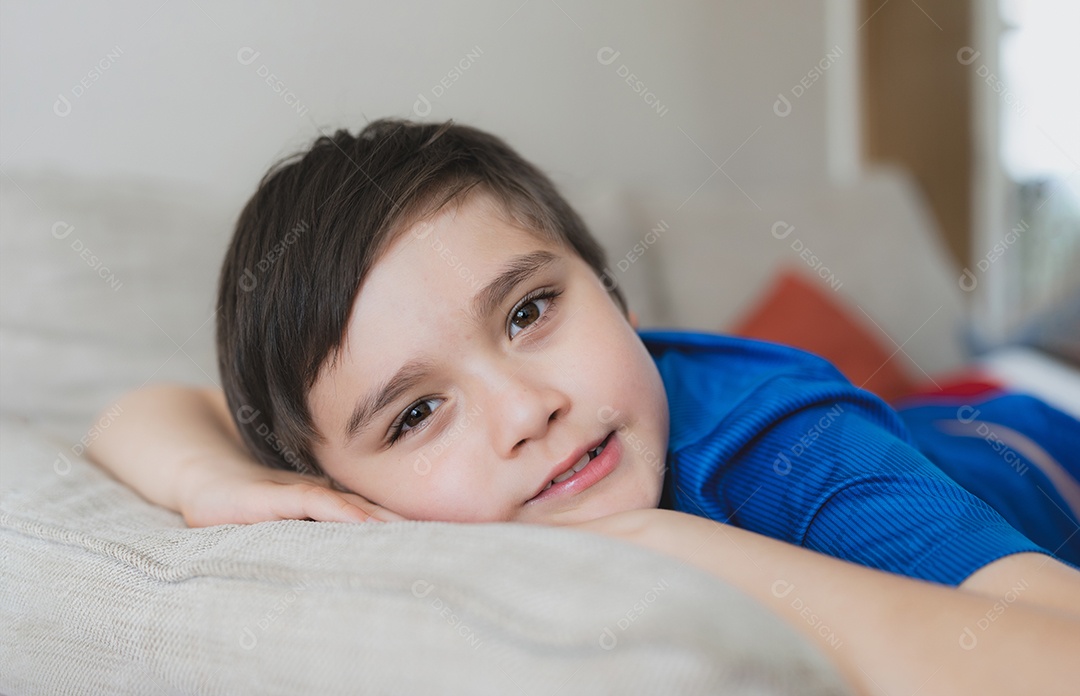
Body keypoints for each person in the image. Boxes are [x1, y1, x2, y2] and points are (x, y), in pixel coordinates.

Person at [87, 119, 1080, 695]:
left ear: (617, 297)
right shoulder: (347, 485)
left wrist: (669, 541)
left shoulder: (787, 446)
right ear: (332, 484)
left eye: (527, 311)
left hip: (1029, 441)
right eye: (415, 416)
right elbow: (139, 411)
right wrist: (212, 480)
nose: (527, 409)